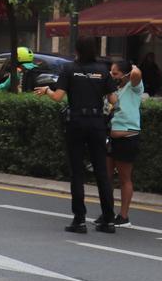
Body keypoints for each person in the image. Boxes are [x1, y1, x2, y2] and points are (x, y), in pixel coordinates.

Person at [36, 37, 117, 234]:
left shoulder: (70, 69)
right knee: (102, 173)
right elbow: (114, 99)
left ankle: (79, 220)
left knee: (77, 172)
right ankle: (108, 219)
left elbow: (58, 97)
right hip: (97, 123)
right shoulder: (103, 70)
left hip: (76, 123)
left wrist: (47, 90)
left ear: (77, 50)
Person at [108, 59, 143, 227]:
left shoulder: (134, 87)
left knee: (124, 178)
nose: (112, 76)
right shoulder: (114, 89)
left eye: (115, 73)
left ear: (125, 74)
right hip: (110, 136)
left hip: (127, 138)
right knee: (105, 177)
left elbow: (136, 74)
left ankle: (123, 216)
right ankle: (107, 212)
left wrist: (132, 66)